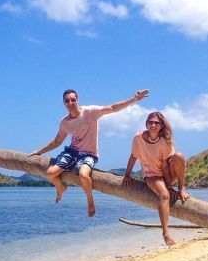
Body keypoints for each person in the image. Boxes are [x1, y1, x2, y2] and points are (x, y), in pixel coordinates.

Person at [30, 89, 149, 217]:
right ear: (64, 103)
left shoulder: (90, 112)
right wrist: (38, 151)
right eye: (67, 101)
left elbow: (113, 108)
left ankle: (90, 200)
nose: (70, 103)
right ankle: (61, 188)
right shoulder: (65, 122)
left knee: (83, 175)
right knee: (50, 173)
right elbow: (57, 141)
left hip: (89, 154)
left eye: (73, 100)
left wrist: (134, 99)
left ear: (78, 100)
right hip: (72, 151)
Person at [121, 111, 190, 246]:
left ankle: (182, 188)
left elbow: (165, 166)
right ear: (146, 123)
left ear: (161, 126)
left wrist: (170, 186)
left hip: (166, 174)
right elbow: (133, 156)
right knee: (164, 196)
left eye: (157, 123)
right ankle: (166, 233)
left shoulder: (164, 141)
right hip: (151, 176)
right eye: (150, 122)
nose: (153, 125)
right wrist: (127, 174)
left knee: (179, 156)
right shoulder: (138, 138)